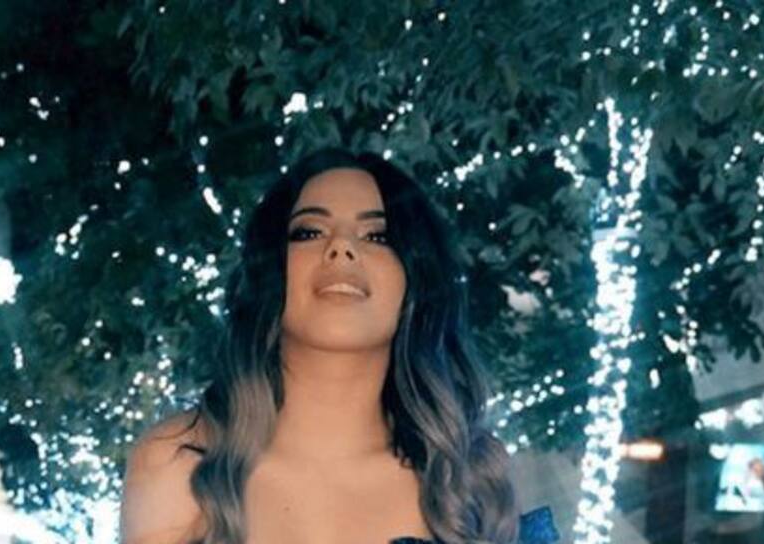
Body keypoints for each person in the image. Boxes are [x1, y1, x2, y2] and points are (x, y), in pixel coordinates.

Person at [120, 149, 519, 544]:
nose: (341, 247)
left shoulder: (463, 479)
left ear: (415, 277)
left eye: (377, 236)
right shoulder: (179, 461)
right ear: (270, 269)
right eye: (309, 232)